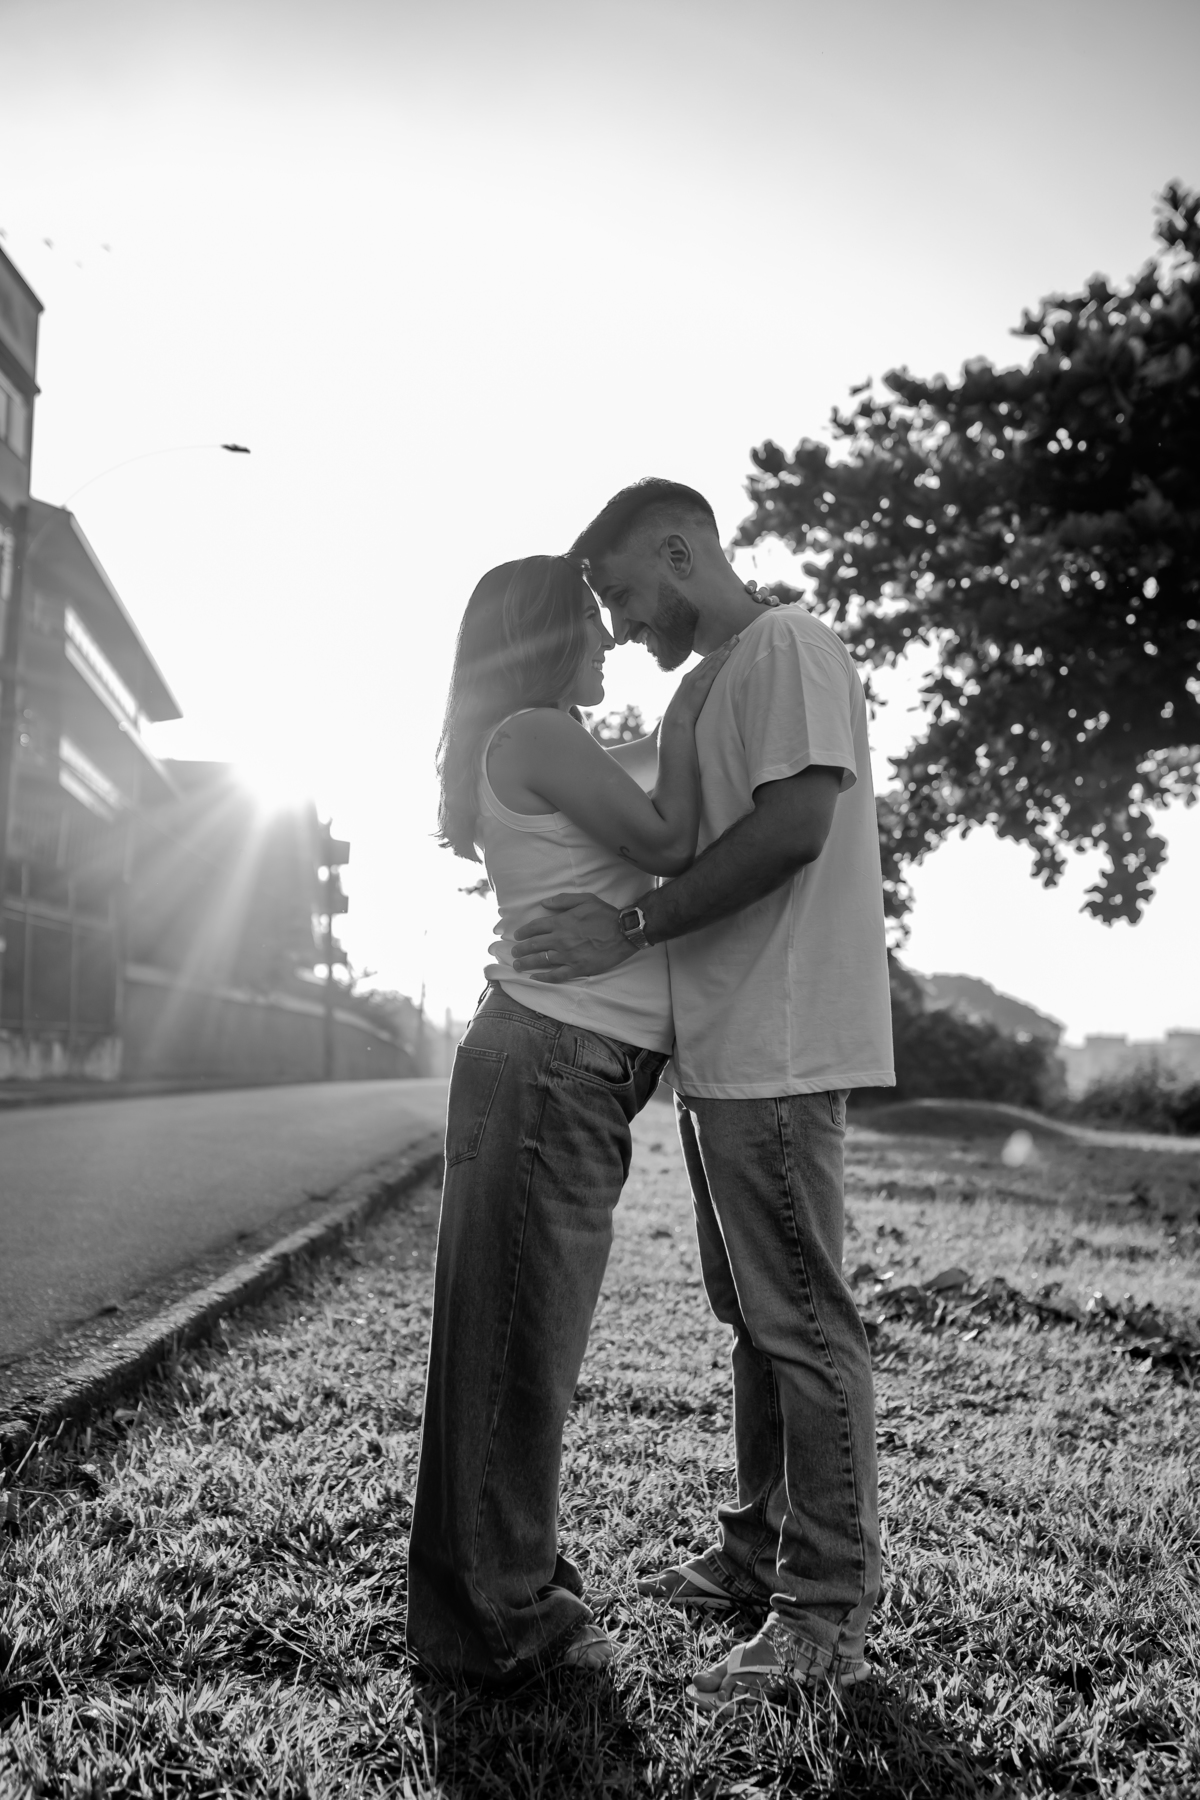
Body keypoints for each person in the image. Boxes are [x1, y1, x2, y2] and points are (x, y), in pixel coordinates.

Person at [510, 480, 895, 1710]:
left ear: (683, 550)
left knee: (801, 1324)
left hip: (780, 1045)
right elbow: (669, 830)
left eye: (622, 590)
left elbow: (792, 832)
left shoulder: (789, 645)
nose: (616, 624)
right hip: (722, 1052)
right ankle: (753, 1552)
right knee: (755, 1322)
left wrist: (622, 928)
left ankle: (825, 1608)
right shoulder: (697, 689)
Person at [406, 553, 732, 1685]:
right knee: (513, 1354)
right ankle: (499, 1621)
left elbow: (644, 809)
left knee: (513, 1349)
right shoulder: (540, 733)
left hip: (557, 1070)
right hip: (549, 1067)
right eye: (591, 628)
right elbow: (668, 839)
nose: (611, 644)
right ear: (543, 638)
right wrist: (698, 706)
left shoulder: (549, 740)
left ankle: (498, 1588)